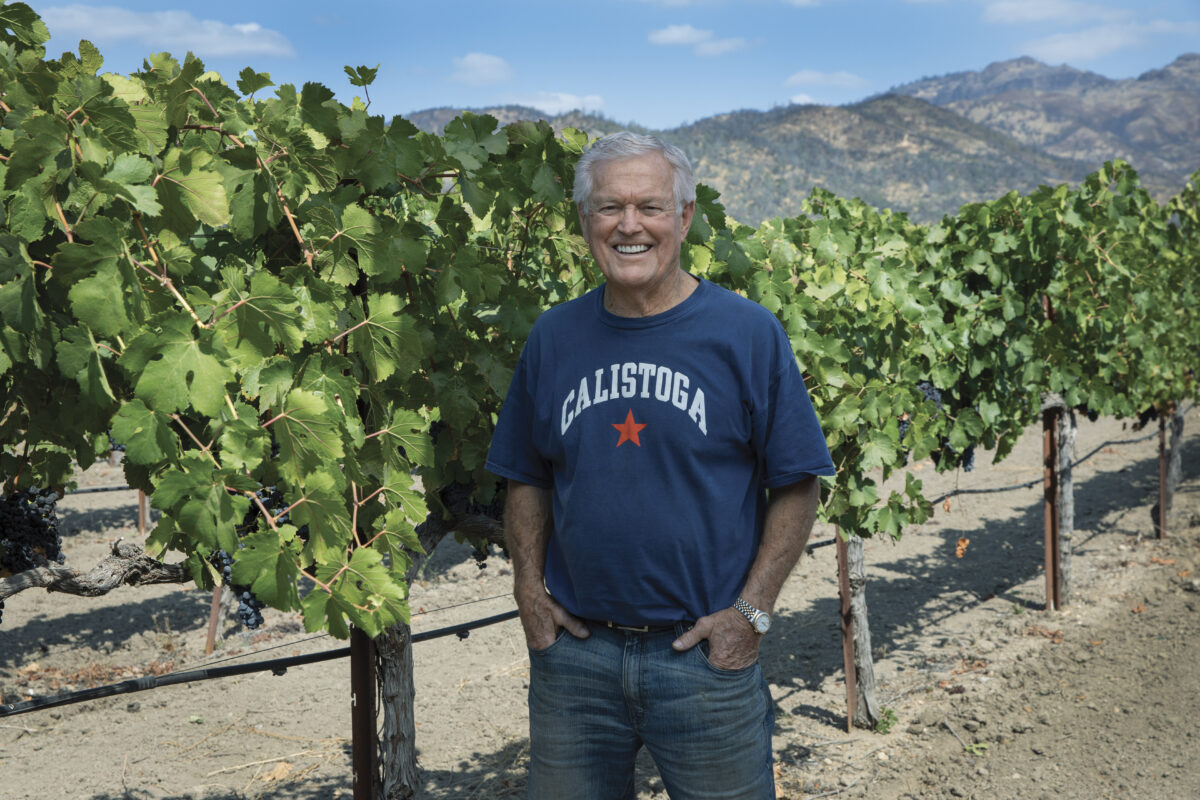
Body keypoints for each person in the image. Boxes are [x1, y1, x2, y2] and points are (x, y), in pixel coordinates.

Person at [485, 131, 836, 800]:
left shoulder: (746, 334)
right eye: (608, 207)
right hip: (577, 664)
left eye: (649, 206)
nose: (628, 225)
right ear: (585, 221)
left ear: (684, 216)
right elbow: (526, 475)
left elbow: (797, 483)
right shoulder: (554, 337)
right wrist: (529, 591)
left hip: (704, 658)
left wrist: (752, 613)